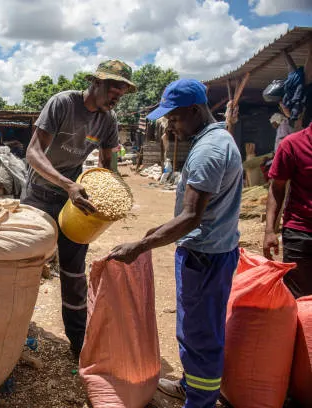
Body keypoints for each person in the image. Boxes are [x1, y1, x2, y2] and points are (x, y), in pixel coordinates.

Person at [108, 79, 243, 408]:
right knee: (198, 329)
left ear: (196, 111)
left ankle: (199, 401)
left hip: (204, 256)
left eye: (175, 118)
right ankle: (190, 386)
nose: (171, 124)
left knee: (199, 336)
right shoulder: (216, 139)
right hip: (215, 249)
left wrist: (139, 247)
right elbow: (195, 213)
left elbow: (191, 217)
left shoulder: (208, 152)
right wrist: (161, 228)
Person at [22, 59, 137, 357]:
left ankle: (78, 343)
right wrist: (67, 184)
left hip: (73, 199)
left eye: (122, 95)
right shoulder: (63, 103)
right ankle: (16, 331)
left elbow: (107, 165)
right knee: (26, 265)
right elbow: (33, 153)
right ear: (96, 83)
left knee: (74, 273)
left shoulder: (107, 122)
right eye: (114, 89)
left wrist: (111, 192)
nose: (116, 98)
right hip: (39, 193)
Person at [263, 121, 312, 298]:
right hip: (301, 234)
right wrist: (270, 230)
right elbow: (276, 188)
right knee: (299, 300)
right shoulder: (292, 144)